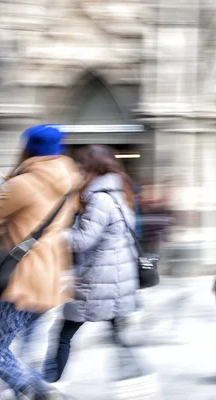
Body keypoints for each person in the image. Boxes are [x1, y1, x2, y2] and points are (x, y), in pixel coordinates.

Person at [0, 124, 80, 400]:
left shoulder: (25, 183)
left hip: (22, 279)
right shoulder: (68, 179)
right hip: (51, 278)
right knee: (19, 347)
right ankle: (39, 391)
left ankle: (42, 394)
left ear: (28, 148)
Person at [43, 145, 140, 385]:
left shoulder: (99, 198)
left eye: (82, 165)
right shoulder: (120, 192)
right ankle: (134, 379)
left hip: (97, 280)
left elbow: (83, 240)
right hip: (118, 277)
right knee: (118, 335)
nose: (79, 170)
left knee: (63, 334)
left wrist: (55, 235)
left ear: (91, 168)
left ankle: (47, 385)